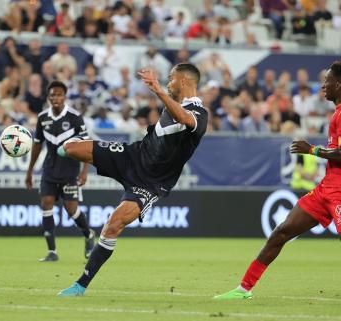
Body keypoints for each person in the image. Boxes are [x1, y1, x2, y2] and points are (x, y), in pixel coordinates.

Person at [56, 63, 208, 296]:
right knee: (71, 147)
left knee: (113, 224)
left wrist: (157, 89)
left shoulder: (199, 114)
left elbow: (185, 118)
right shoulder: (173, 104)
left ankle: (80, 285)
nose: (168, 83)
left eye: (171, 79)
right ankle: (60, 150)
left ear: (184, 81)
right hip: (132, 156)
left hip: (150, 182)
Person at [213, 61, 341, 300]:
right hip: (326, 189)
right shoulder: (336, 113)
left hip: (339, 192)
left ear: (339, 84)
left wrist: (311, 150)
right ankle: (244, 288)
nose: (323, 86)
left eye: (327, 81)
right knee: (282, 232)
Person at [25, 80, 95, 262]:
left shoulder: (74, 117)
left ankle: (88, 235)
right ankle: (52, 252)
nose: (55, 98)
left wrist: (84, 171)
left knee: (71, 209)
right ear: (49, 97)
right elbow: (37, 145)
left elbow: (87, 145)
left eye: (59, 95)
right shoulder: (42, 118)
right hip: (49, 170)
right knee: (46, 203)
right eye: (52, 95)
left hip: (70, 171)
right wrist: (30, 171)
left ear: (65, 97)